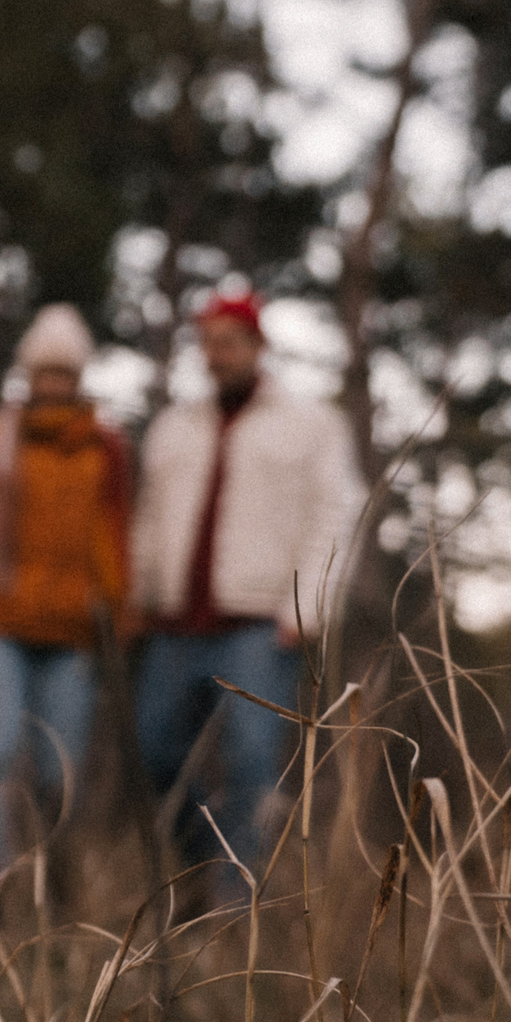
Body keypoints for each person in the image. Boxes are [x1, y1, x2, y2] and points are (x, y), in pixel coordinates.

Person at [131, 288, 363, 909]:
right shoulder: (174, 426)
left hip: (261, 625)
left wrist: (307, 607)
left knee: (252, 759)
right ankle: (203, 864)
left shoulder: (311, 423)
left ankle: (236, 905)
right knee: (154, 751)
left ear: (257, 347)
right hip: (176, 623)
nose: (215, 355)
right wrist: (139, 595)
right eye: (206, 343)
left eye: (228, 342)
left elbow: (334, 515)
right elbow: (149, 519)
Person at [0, 305, 132, 900]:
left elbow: (113, 539)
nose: (53, 384)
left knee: (59, 770)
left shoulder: (103, 449)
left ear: (79, 376)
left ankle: (54, 885)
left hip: (72, 633)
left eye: (64, 372)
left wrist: (120, 617)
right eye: (44, 371)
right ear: (28, 374)